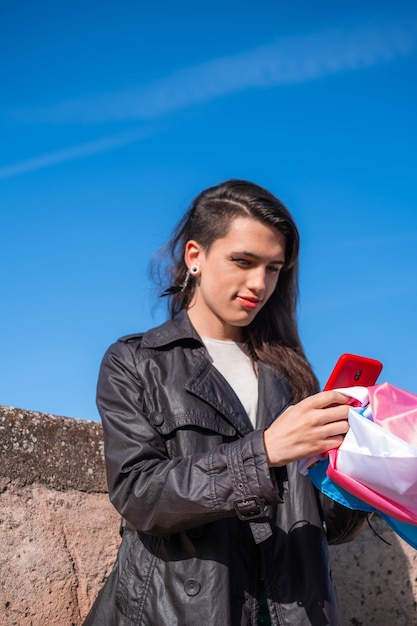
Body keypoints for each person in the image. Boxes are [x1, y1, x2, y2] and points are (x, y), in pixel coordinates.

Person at [84, 180, 367, 626]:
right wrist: (265, 451)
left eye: (274, 268)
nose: (260, 283)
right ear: (194, 256)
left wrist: (363, 469)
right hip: (176, 611)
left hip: (291, 609)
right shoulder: (136, 361)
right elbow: (140, 495)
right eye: (243, 261)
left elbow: (329, 525)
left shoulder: (292, 373)